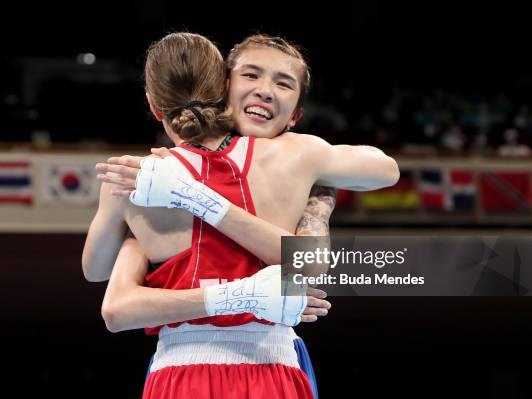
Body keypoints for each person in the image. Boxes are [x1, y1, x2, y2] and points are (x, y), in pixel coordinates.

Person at [83, 33, 399, 398]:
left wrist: (143, 230)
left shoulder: (134, 179)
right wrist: (319, 197)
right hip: (273, 364)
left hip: (178, 374)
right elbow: (385, 171)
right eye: (251, 76)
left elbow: (95, 271)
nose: (265, 90)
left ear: (154, 105)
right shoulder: (297, 156)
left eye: (282, 83)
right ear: (223, 88)